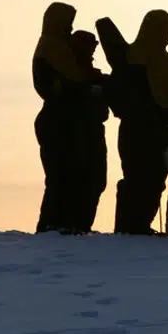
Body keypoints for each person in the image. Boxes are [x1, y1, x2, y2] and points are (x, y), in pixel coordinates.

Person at [100, 10, 168, 235]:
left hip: (129, 128)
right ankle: (138, 225)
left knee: (133, 177)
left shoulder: (127, 56)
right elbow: (166, 99)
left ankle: (127, 225)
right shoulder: (159, 58)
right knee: (151, 178)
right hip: (153, 128)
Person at [32, 2, 87, 233]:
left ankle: (62, 223)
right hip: (58, 119)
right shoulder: (53, 48)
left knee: (69, 173)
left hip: (63, 118)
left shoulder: (56, 46)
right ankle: (51, 224)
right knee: (60, 174)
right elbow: (72, 81)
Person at [70, 30, 110, 233]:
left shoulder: (91, 72)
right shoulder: (73, 71)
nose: (94, 49)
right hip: (79, 129)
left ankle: (82, 225)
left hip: (93, 128)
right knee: (83, 178)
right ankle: (77, 225)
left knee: (95, 179)